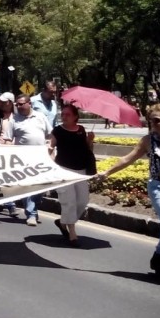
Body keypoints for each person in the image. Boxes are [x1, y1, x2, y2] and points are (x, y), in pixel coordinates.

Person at [99, 103, 160, 280]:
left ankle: (159, 257)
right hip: (158, 186)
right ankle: (159, 256)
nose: (153, 125)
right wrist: (107, 172)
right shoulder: (148, 141)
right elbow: (127, 159)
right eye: (151, 121)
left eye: (157, 121)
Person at [1, 93, 53, 226]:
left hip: (41, 159)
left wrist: (51, 148)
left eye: (21, 104)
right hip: (22, 160)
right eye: (17, 105)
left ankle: (32, 209)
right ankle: (32, 214)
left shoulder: (40, 117)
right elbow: (7, 140)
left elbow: (50, 134)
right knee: (27, 186)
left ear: (29, 103)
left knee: (39, 187)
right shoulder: (14, 120)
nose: (19, 107)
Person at [49, 104, 94, 247]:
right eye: (63, 114)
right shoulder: (58, 130)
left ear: (75, 116)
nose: (64, 116)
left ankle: (63, 222)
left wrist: (90, 140)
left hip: (80, 170)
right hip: (63, 170)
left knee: (83, 201)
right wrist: (49, 163)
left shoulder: (81, 130)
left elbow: (87, 149)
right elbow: (51, 147)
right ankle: (72, 234)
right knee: (69, 201)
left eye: (68, 114)